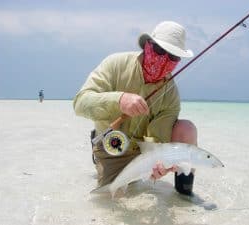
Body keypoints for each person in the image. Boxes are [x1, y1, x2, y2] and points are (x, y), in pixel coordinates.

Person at [73, 21, 198, 196]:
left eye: (173, 57)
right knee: (108, 198)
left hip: (142, 153)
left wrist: (159, 165)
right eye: (160, 50)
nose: (164, 60)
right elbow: (79, 104)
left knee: (187, 129)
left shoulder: (171, 93)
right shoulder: (115, 64)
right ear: (148, 45)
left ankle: (185, 195)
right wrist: (119, 100)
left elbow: (158, 139)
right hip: (111, 148)